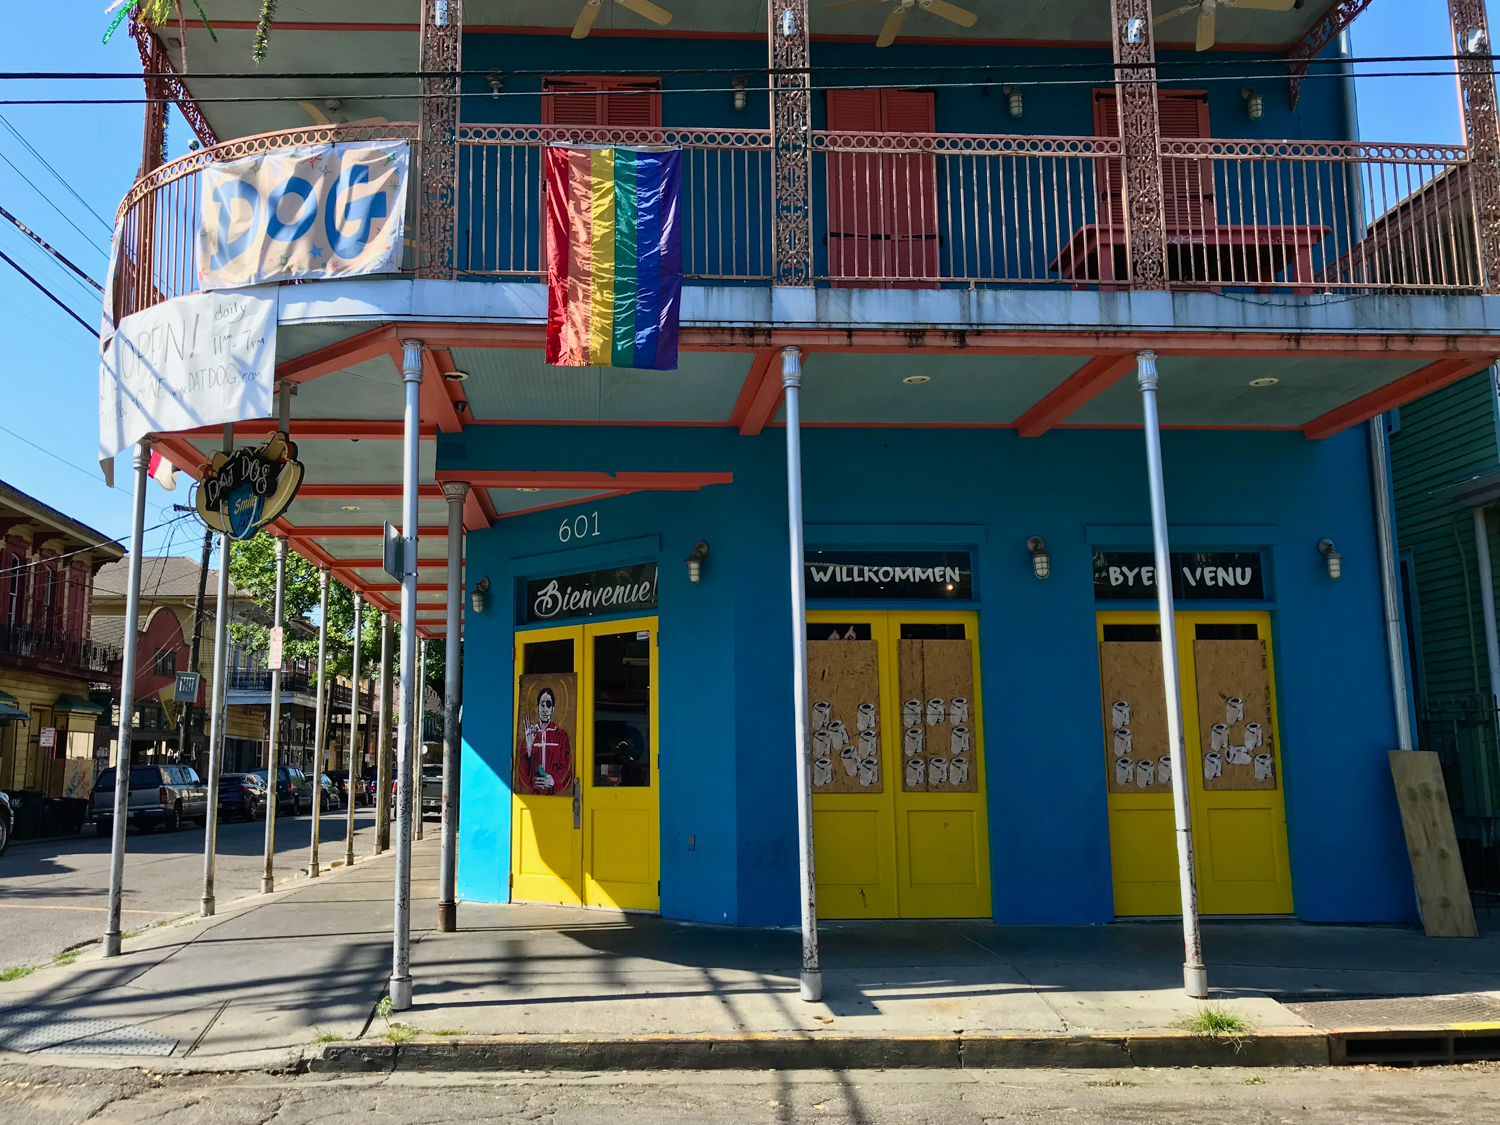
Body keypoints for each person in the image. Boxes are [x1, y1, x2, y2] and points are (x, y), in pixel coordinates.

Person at [518, 686, 573, 794]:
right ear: (537, 708)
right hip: (533, 795)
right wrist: (529, 747)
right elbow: (523, 775)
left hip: (555, 794)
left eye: (548, 705)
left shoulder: (561, 736)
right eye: (542, 705)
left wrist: (553, 780)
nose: (545, 709)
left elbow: (567, 768)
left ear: (552, 709)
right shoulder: (530, 736)